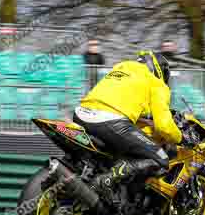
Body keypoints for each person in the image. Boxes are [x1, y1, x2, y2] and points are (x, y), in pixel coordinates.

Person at [74, 50, 184, 204]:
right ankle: (105, 181)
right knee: (161, 158)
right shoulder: (156, 82)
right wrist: (180, 137)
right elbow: (164, 126)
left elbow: (123, 102)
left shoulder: (120, 68)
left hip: (81, 114)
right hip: (109, 120)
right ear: (160, 71)